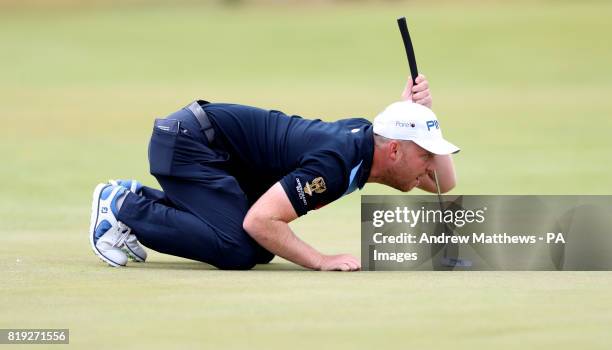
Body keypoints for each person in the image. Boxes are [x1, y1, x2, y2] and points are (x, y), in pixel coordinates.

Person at [89, 74, 459, 271]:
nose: (430, 167)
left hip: (211, 152)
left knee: (260, 249)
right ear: (394, 150)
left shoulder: (368, 143)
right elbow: (260, 221)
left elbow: (444, 182)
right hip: (190, 145)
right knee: (238, 248)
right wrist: (320, 260)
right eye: (427, 155)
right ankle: (122, 207)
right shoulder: (336, 164)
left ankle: (137, 199)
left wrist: (425, 114)